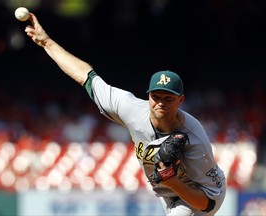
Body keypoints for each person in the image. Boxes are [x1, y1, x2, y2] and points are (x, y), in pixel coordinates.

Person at [24, 13, 226, 216]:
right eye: (156, 96)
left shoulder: (194, 137)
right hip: (168, 192)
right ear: (148, 96)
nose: (161, 102)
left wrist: (172, 182)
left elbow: (207, 203)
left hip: (199, 195)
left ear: (181, 100)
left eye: (168, 98)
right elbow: (86, 77)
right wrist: (47, 43)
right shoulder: (130, 108)